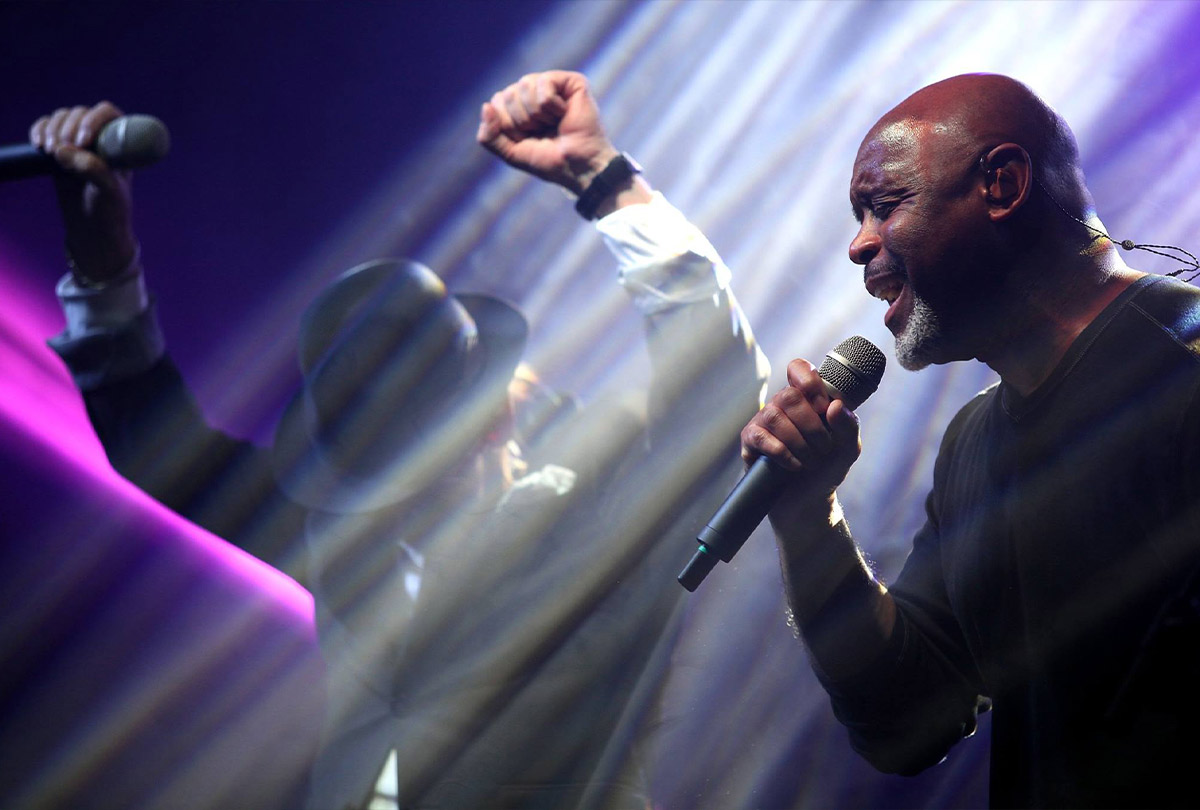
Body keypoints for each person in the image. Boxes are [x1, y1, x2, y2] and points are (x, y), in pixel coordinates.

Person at [31, 71, 768, 810]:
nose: (381, 503)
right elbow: (162, 452)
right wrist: (103, 260)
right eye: (363, 476)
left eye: (406, 479)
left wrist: (602, 179)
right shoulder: (340, 526)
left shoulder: (601, 507)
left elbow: (717, 390)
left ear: (489, 424)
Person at [740, 72, 1200, 808]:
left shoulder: (1184, 369)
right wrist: (807, 518)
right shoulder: (971, 444)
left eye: (884, 205)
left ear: (1002, 184)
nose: (858, 245)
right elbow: (904, 721)